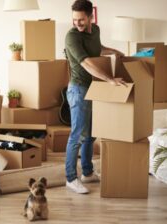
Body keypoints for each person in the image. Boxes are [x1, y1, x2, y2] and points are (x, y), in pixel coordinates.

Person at [64, 0, 126, 194]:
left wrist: (113, 51)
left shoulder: (96, 30)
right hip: (78, 90)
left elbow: (97, 49)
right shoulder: (71, 36)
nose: (78, 23)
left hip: (93, 87)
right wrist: (110, 79)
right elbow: (87, 63)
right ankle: (71, 178)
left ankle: (88, 172)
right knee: (77, 135)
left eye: (81, 19)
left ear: (91, 17)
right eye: (75, 20)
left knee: (90, 134)